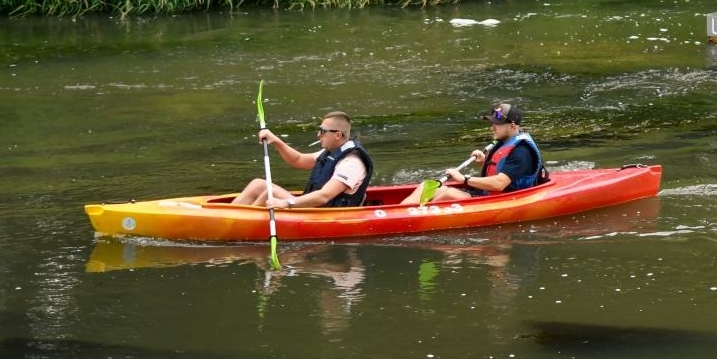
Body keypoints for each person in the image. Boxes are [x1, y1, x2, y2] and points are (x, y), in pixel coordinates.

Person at [399, 103, 548, 205]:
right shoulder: (504, 140)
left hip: (502, 199)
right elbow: (503, 169)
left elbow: (499, 184)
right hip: (486, 194)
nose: (492, 128)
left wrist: (464, 179)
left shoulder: (522, 151)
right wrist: (485, 162)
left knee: (447, 195)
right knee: (427, 186)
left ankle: (411, 218)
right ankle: (401, 212)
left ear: (512, 126)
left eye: (497, 124)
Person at [235, 110, 373, 209]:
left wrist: (287, 203)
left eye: (323, 131)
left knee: (268, 194)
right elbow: (298, 160)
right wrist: (276, 141)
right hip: (314, 207)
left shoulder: (351, 163)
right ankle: (230, 215)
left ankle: (238, 223)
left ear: (338, 135)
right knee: (258, 184)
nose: (318, 135)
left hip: (326, 214)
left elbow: (324, 196)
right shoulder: (331, 151)